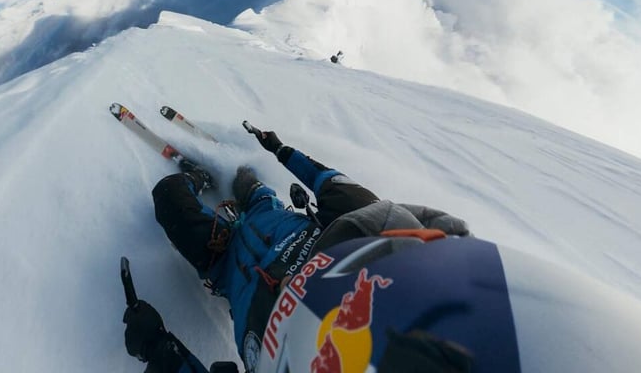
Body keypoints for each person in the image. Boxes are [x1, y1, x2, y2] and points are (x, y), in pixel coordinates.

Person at [123, 125, 472, 372]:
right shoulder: (375, 233)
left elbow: (329, 182)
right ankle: (217, 179)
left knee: (169, 196)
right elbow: (329, 181)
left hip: (224, 262)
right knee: (244, 178)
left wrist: (158, 349)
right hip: (265, 211)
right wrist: (280, 150)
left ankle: (196, 179)